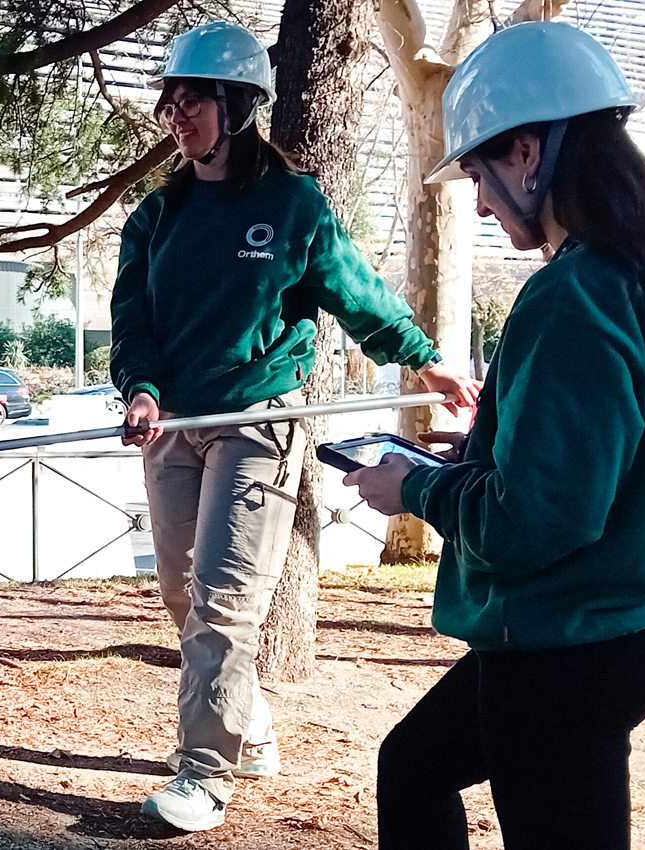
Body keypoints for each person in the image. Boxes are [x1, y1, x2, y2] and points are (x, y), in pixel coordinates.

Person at [344, 21, 645, 850]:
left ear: (526, 151)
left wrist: (410, 488)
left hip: (558, 651)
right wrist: (477, 457)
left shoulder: (573, 295)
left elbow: (536, 521)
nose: (479, 201)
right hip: (606, 636)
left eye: (480, 171)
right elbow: (610, 458)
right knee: (412, 766)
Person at [110, 21, 480, 833]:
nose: (178, 114)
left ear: (241, 105)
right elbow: (132, 324)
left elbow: (358, 295)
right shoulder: (157, 217)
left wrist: (425, 359)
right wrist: (139, 390)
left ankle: (203, 774)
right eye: (171, 99)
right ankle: (248, 726)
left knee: (224, 598)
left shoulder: (292, 205)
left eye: (195, 98)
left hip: (261, 427)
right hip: (175, 426)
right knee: (181, 591)